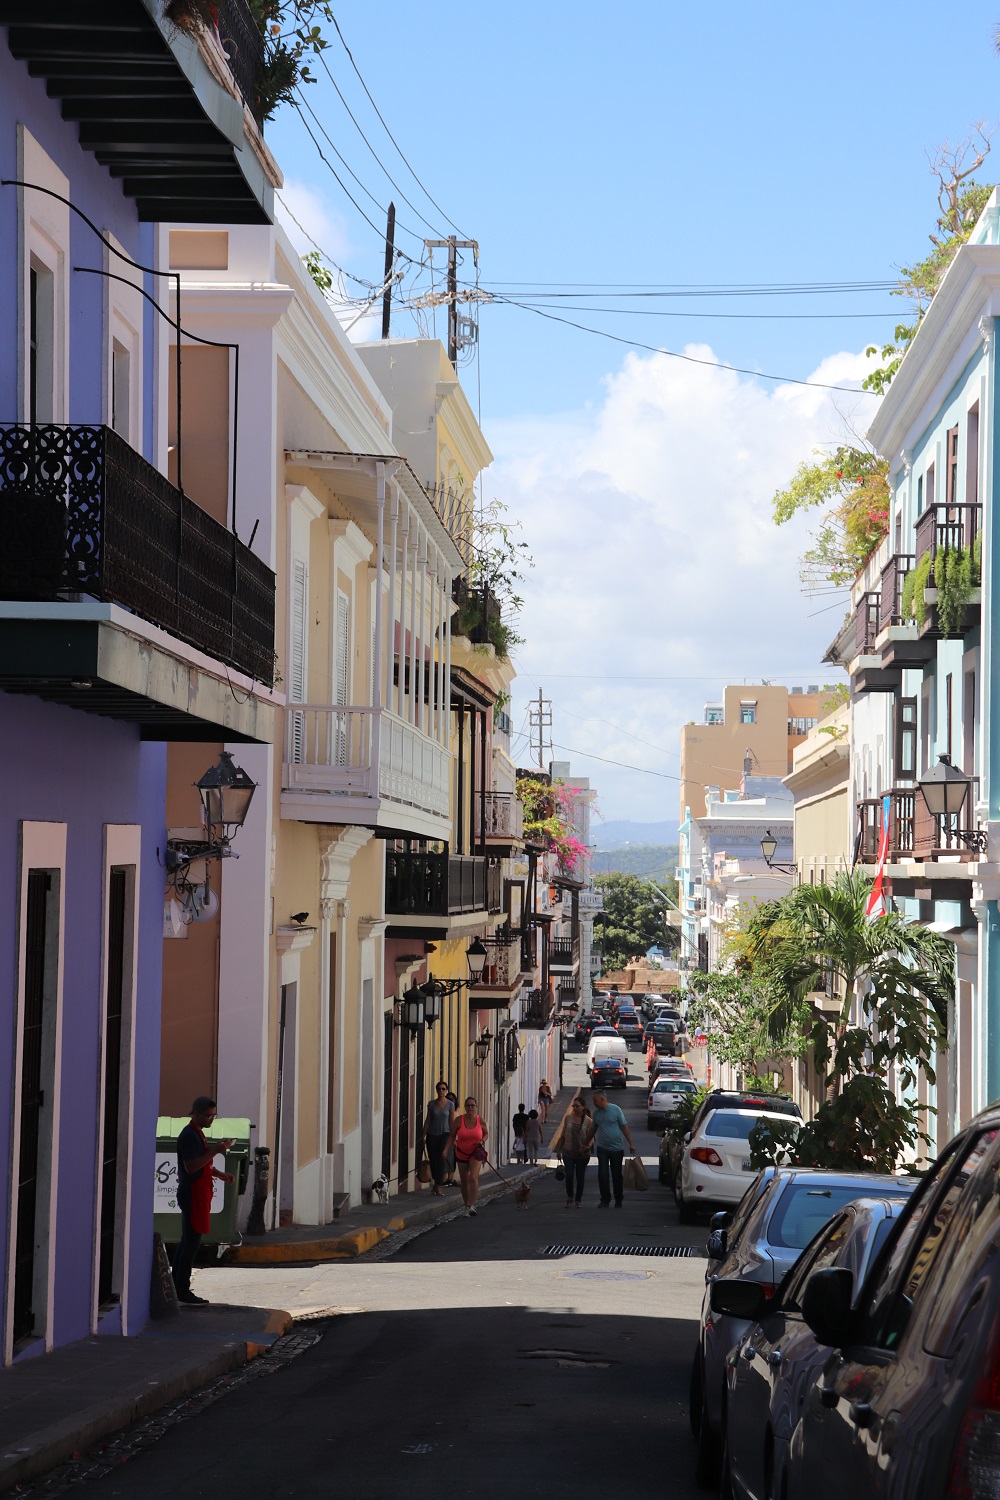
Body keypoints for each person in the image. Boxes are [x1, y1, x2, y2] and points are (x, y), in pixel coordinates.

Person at [172, 1096, 234, 1305]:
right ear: (196, 1113)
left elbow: (203, 1163)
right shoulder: (189, 1135)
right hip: (191, 1193)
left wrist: (218, 1173)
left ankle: (177, 1285)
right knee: (191, 1242)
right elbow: (191, 1166)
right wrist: (216, 1150)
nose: (211, 1120)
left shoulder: (198, 1134)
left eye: (213, 1116)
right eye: (208, 1116)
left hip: (197, 1192)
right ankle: (182, 1289)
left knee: (189, 1240)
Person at [587, 1089, 638, 1208]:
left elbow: (624, 1127)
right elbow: (593, 1129)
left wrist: (631, 1143)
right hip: (602, 1149)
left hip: (617, 1149)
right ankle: (605, 1199)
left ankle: (618, 1198)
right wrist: (585, 1143)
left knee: (616, 1175)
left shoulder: (616, 1110)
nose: (594, 1102)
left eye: (595, 1100)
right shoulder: (596, 1113)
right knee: (603, 1175)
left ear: (603, 1099)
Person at [443, 1096, 490, 1217]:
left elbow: (486, 1133)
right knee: (464, 1180)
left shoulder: (480, 1120)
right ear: (465, 1107)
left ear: (476, 1107)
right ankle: (466, 1205)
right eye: (468, 1105)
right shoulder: (459, 1120)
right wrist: (446, 1150)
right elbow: (452, 1136)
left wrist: (482, 1141)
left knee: (473, 1178)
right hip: (461, 1153)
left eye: (472, 1105)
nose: (470, 1107)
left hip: (475, 1153)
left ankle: (472, 1205)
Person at [550, 1097, 592, 1207]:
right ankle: (569, 1197)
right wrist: (558, 1150)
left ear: (583, 1107)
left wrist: (587, 1146)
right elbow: (563, 1135)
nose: (575, 1108)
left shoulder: (588, 1121)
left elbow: (591, 1138)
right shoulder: (568, 1118)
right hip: (568, 1153)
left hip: (582, 1155)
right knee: (569, 1175)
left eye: (577, 1106)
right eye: (574, 1106)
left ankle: (578, 1199)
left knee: (580, 1177)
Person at [420, 1081, 456, 1195]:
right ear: (436, 1090)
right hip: (432, 1135)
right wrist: (423, 1135)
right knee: (433, 1160)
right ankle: (435, 1185)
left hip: (445, 1134)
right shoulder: (431, 1104)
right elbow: (428, 1120)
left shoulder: (450, 1105)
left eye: (443, 1089)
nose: (441, 1091)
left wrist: (453, 1137)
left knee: (441, 1160)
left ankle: (438, 1186)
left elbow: (452, 1122)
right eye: (439, 1089)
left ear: (446, 1090)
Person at [444, 1092, 459, 1184]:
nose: (450, 1101)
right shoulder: (445, 1111)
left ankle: (451, 1178)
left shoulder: (457, 1111)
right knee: (447, 1158)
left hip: (456, 1138)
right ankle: (446, 1179)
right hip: (447, 1137)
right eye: (448, 1099)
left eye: (452, 1099)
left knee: (453, 1159)